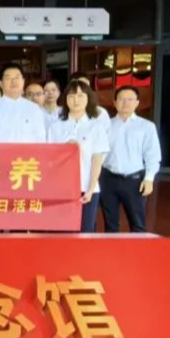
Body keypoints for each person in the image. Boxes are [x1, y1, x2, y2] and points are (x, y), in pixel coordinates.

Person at [47, 80, 109, 233]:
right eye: (71, 96)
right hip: (60, 189)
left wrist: (91, 188)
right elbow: (49, 159)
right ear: (65, 99)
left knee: (85, 231)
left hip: (86, 187)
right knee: (61, 231)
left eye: (81, 96)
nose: (76, 100)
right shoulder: (55, 127)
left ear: (89, 98)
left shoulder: (96, 127)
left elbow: (97, 160)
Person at [100, 86, 162, 233]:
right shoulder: (106, 125)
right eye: (121, 99)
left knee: (137, 224)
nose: (125, 103)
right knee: (110, 224)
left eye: (130, 99)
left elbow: (152, 155)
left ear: (137, 102)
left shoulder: (147, 127)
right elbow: (99, 152)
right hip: (108, 179)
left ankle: (138, 248)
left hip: (134, 181)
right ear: (115, 102)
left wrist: (149, 179)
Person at [0, 64, 47, 143]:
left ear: (23, 81)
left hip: (29, 151)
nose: (13, 81)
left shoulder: (34, 109)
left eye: (17, 77)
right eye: (8, 78)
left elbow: (41, 139)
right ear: (1, 83)